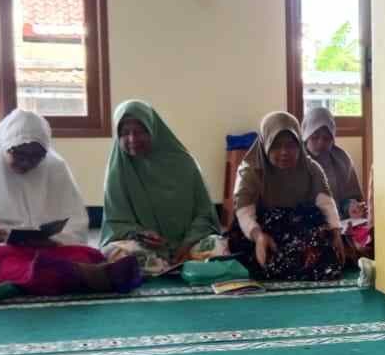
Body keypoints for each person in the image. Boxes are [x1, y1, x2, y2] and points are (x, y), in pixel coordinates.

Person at [0, 109, 139, 301]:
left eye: (36, 156)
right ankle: (77, 276)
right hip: (2, 251)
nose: (27, 162)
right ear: (5, 147)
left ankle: (41, 278)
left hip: (48, 250)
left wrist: (53, 240)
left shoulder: (54, 168)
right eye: (19, 154)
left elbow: (75, 223)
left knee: (87, 255)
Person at [100, 100, 222, 277]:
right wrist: (141, 234)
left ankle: (168, 267)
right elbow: (116, 221)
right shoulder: (118, 171)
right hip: (146, 248)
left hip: (189, 244)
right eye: (125, 133)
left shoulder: (184, 163)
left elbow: (205, 214)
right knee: (116, 253)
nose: (132, 139)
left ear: (153, 129)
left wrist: (187, 243)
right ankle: (179, 268)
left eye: (139, 131)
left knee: (218, 246)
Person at [229, 111, 346, 281]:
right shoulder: (251, 170)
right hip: (259, 229)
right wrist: (259, 236)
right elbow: (244, 212)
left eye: (291, 145)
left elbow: (326, 203)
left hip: (297, 225)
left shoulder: (311, 169)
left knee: (323, 247)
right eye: (276, 145)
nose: (284, 152)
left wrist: (336, 235)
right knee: (256, 258)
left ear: (299, 144)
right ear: (265, 144)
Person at [302, 106, 365, 218]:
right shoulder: (295, 160)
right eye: (315, 137)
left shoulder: (342, 160)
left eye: (326, 138)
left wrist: (350, 207)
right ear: (306, 136)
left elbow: (349, 198)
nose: (321, 143)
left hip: (338, 222)